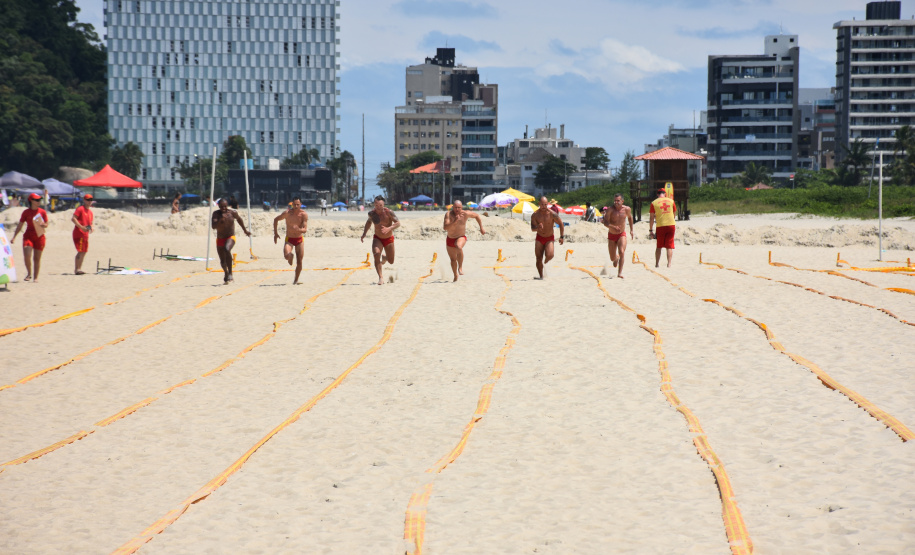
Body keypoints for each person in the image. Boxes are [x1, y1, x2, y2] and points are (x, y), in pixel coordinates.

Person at [361, 195, 400, 285]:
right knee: (376, 254)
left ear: (384, 205)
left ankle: (385, 258)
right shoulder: (372, 213)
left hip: (388, 239)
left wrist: (389, 228)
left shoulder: (389, 212)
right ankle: (380, 277)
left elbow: (398, 223)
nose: (378, 207)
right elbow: (369, 222)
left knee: (391, 261)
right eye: (376, 205)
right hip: (377, 238)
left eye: (380, 205)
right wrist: (364, 233)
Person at [443, 200, 485, 282]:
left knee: (458, 246)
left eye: (459, 207)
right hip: (450, 239)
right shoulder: (448, 214)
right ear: (453, 207)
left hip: (461, 237)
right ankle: (455, 275)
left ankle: (460, 267)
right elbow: (445, 227)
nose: (457, 209)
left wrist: (481, 228)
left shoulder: (465, 213)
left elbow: (477, 216)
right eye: (455, 207)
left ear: (461, 207)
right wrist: (455, 221)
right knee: (453, 259)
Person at [10, 193, 49, 282]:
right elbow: (20, 225)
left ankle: (36, 277)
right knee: (27, 255)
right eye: (37, 200)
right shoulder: (26, 212)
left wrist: (44, 225)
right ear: (31, 201)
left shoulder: (42, 212)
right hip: (28, 236)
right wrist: (14, 237)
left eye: (39, 200)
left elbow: (47, 223)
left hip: (40, 237)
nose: (39, 201)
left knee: (37, 258)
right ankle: (29, 273)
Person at [212, 198, 251, 283]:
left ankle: (230, 273)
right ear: (219, 206)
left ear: (227, 206)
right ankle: (226, 273)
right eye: (221, 206)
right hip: (220, 239)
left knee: (227, 249)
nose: (223, 208)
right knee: (222, 261)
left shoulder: (232, 213)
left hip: (230, 237)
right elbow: (213, 226)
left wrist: (245, 230)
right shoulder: (216, 214)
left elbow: (239, 220)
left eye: (225, 206)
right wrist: (220, 219)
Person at [273, 197, 308, 284]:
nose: (296, 206)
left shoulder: (303, 215)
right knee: (286, 256)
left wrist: (298, 230)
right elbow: (276, 219)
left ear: (300, 204)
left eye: (298, 204)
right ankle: (290, 256)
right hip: (289, 239)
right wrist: (276, 234)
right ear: (292, 204)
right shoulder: (287, 213)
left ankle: (296, 280)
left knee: (299, 262)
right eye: (294, 204)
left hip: (299, 239)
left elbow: (305, 229)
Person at [601, 193, 635, 278]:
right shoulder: (610, 210)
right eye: (615, 200)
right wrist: (613, 227)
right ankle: (616, 258)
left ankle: (619, 273)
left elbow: (630, 218)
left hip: (621, 234)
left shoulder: (627, 209)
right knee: (612, 258)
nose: (616, 202)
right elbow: (605, 222)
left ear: (622, 201)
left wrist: (631, 230)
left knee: (622, 252)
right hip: (612, 235)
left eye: (618, 201)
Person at [530, 196, 564, 279]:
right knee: (538, 258)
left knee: (550, 255)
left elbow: (561, 224)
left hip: (549, 237)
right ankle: (541, 276)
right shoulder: (535, 215)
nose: (544, 206)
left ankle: (545, 262)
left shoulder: (552, 214)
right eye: (542, 204)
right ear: (539, 204)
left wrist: (561, 237)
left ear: (547, 204)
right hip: (539, 237)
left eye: (545, 204)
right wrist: (538, 228)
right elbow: (532, 229)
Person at [649, 188, 677, 268]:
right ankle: (669, 264)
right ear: (665, 194)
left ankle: (657, 264)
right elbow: (674, 214)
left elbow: (651, 218)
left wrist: (650, 230)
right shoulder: (671, 201)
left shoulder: (654, 203)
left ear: (657, 194)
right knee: (669, 246)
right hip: (671, 225)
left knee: (659, 246)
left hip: (660, 225)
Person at [71, 194, 95, 275]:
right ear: (84, 200)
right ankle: (77, 269)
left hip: (85, 234)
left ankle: (79, 268)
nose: (89, 201)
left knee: (84, 251)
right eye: (88, 200)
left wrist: (91, 227)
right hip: (78, 233)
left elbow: (90, 223)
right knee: (80, 251)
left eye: (90, 200)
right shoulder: (80, 209)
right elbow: (73, 218)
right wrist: (81, 227)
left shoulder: (90, 212)